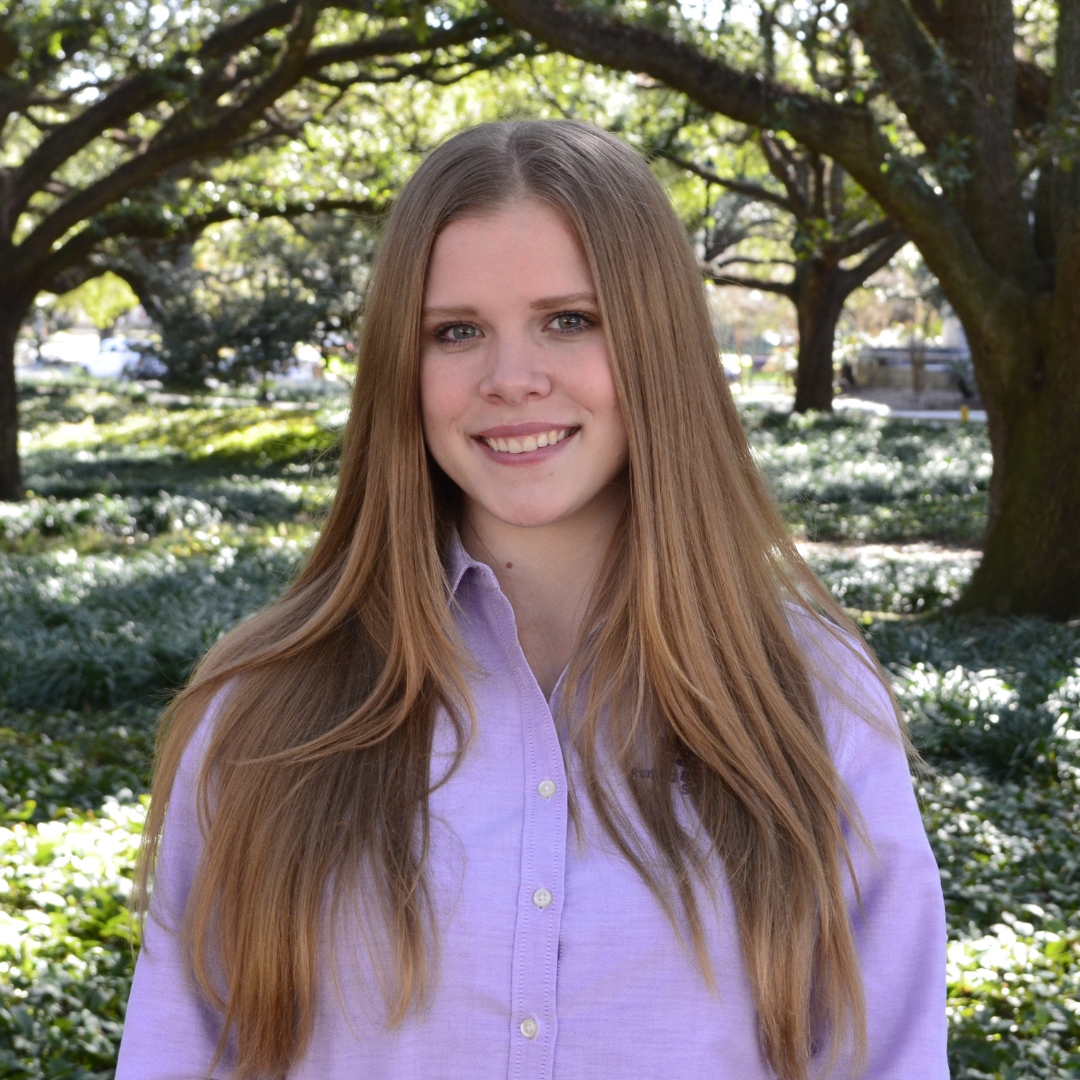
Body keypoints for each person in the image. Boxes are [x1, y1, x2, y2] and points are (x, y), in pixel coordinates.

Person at [116, 120, 948, 1080]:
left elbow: (885, 1056)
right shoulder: (261, 712)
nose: (512, 380)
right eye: (456, 331)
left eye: (570, 319)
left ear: (657, 343)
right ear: (402, 363)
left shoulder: (811, 697)